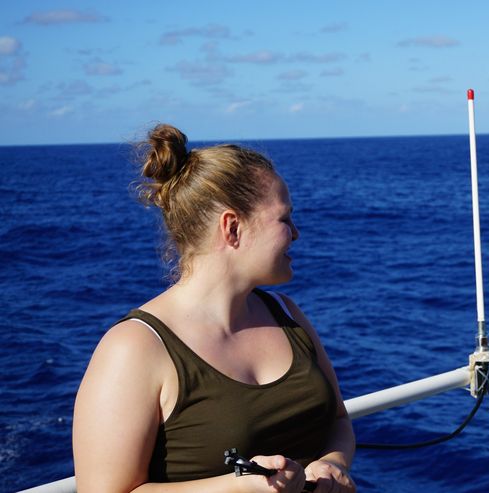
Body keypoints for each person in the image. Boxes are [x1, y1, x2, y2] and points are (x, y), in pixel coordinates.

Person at [73, 124, 355, 493]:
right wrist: (240, 487)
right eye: (285, 219)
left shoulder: (286, 314)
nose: (297, 233)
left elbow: (337, 419)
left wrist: (331, 463)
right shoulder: (134, 348)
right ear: (232, 227)